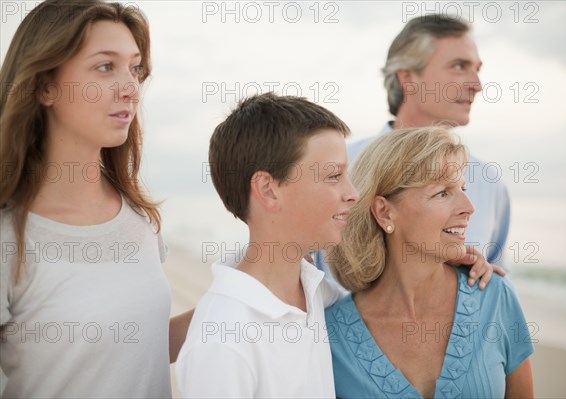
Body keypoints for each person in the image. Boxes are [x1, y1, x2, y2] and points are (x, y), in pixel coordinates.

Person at [0, 0, 191, 396]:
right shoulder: (9, 237)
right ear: (46, 86)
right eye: (106, 67)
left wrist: (247, 284)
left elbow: (142, 347)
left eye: (134, 68)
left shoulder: (138, 216)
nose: (130, 88)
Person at [325, 127, 534, 398]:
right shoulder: (329, 333)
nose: (469, 207)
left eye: (462, 188)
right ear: (384, 212)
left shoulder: (495, 297)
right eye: (442, 193)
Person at [175, 93, 357, 398]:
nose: (352, 193)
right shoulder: (223, 343)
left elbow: (381, 307)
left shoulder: (314, 288)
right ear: (268, 190)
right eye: (334, 175)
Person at [346, 14, 510, 264]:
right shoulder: (340, 168)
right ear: (408, 78)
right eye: (459, 66)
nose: (477, 85)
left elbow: (494, 291)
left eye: (477, 69)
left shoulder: (489, 185)